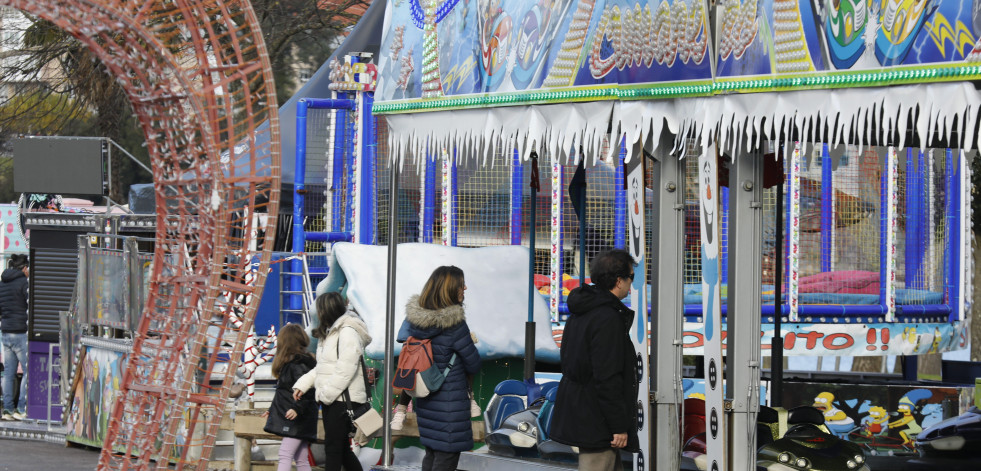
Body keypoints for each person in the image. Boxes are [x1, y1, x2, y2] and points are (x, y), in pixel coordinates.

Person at [550, 249, 639, 471]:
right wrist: (618, 425)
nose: (631, 284)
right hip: (597, 420)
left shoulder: (582, 310)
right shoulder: (607, 317)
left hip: (584, 413)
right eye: (631, 277)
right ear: (619, 281)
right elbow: (607, 376)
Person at [399, 266, 481, 471]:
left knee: (432, 455)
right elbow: (474, 364)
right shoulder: (455, 324)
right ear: (451, 289)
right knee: (445, 459)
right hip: (450, 408)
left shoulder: (414, 322)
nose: (465, 288)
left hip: (427, 403)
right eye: (461, 284)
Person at [292, 292, 370, 471]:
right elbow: (323, 368)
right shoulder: (329, 333)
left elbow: (346, 369)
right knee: (341, 449)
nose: (317, 314)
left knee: (333, 449)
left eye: (319, 309)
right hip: (335, 398)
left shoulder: (347, 332)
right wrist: (303, 385)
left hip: (341, 400)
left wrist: (326, 394)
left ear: (326, 310)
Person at [262, 323, 318, 471]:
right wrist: (272, 410)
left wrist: (297, 409)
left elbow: (309, 391)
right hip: (300, 416)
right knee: (301, 458)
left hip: (298, 418)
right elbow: (284, 392)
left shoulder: (298, 364)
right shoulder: (297, 363)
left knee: (285, 454)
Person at [0, 254, 29, 421]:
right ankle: (21, 408)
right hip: (20, 333)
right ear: (24, 268)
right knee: (28, 371)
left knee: (9, 373)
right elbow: (29, 308)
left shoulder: (2, 283)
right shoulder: (24, 284)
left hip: (5, 333)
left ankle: (7, 409)